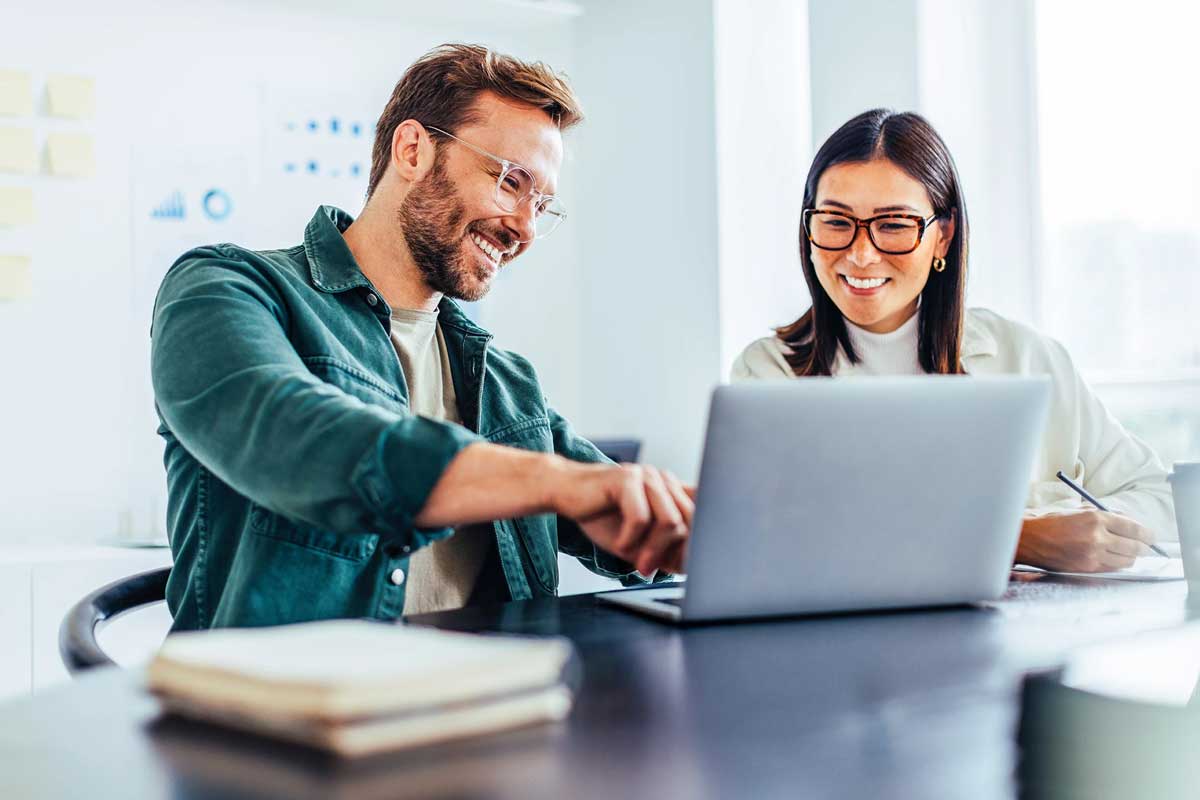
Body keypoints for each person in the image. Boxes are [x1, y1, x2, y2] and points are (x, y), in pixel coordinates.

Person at [151, 44, 692, 630]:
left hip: (492, 703)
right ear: (413, 150)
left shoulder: (505, 380)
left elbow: (612, 498)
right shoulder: (227, 287)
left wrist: (693, 517)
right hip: (291, 710)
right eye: (511, 182)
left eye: (542, 204)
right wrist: (558, 483)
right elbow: (298, 435)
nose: (525, 228)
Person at [731, 108, 1175, 574]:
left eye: (894, 225)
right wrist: (1017, 537)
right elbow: (783, 539)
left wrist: (1084, 530)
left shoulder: (1027, 357)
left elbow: (1162, 500)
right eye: (836, 222)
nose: (861, 254)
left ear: (942, 236)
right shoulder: (767, 374)